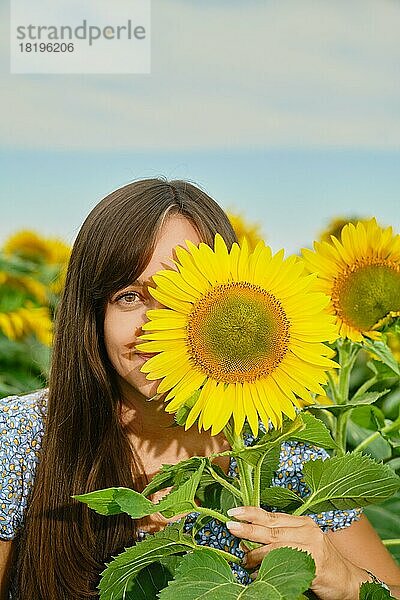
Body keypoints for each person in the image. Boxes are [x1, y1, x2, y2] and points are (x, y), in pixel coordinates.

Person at [0, 178, 399, 600]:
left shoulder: (280, 452)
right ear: (92, 312)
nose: (156, 329)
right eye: (130, 297)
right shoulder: (22, 441)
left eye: (183, 297)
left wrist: (343, 578)